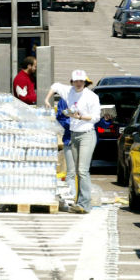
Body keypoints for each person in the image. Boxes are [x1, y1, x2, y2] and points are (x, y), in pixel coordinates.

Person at [44, 69, 101, 214]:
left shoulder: (91, 96)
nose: (78, 83)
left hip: (87, 134)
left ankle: (85, 204)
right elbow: (55, 86)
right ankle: (80, 202)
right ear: (72, 81)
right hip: (74, 135)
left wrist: (79, 117)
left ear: (85, 82)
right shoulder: (69, 91)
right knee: (77, 171)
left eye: (81, 81)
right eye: (76, 81)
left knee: (82, 170)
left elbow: (96, 117)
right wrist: (47, 99)